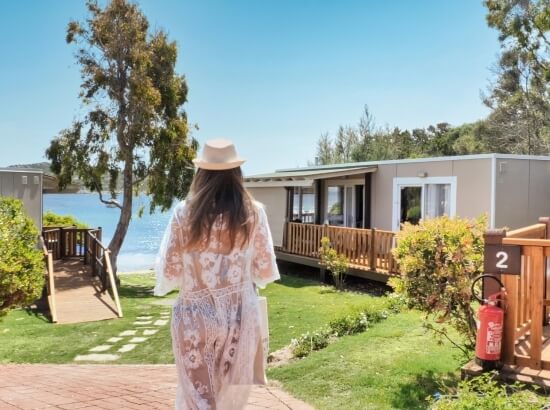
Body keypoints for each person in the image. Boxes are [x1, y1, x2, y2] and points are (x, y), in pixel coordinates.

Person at [154, 139, 280, 410]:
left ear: (201, 174)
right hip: (239, 316)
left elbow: (169, 271)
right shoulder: (254, 214)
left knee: (197, 401)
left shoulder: (183, 213)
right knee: (227, 402)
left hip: (194, 315)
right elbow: (265, 270)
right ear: (237, 174)